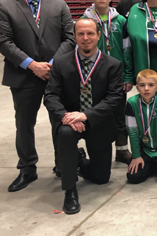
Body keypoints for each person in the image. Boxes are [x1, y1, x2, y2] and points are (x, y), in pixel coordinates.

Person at [0, 0, 75, 191]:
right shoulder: (5, 6)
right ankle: (27, 168)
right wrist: (32, 65)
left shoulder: (59, 6)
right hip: (23, 75)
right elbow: (3, 41)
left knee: (60, 122)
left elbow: (69, 38)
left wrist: (51, 64)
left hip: (55, 74)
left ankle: (62, 164)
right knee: (24, 123)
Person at [44, 18, 123, 215]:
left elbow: (114, 98)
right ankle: (69, 190)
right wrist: (66, 116)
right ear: (74, 36)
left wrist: (85, 115)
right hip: (69, 121)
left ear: (98, 36)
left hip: (97, 121)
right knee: (65, 134)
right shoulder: (61, 63)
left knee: (102, 177)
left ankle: (78, 160)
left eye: (90, 33)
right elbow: (51, 95)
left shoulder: (112, 65)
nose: (85, 38)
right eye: (81, 34)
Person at [81, 0, 133, 164]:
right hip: (93, 74)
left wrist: (128, 75)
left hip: (117, 74)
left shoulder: (121, 21)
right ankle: (98, 150)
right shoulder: (85, 21)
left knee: (119, 113)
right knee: (96, 113)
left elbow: (127, 50)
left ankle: (121, 150)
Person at [126, 69, 157, 184]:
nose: (146, 88)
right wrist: (136, 156)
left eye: (151, 85)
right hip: (146, 148)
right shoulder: (132, 103)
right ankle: (152, 165)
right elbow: (132, 131)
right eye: (142, 85)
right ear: (137, 87)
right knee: (133, 177)